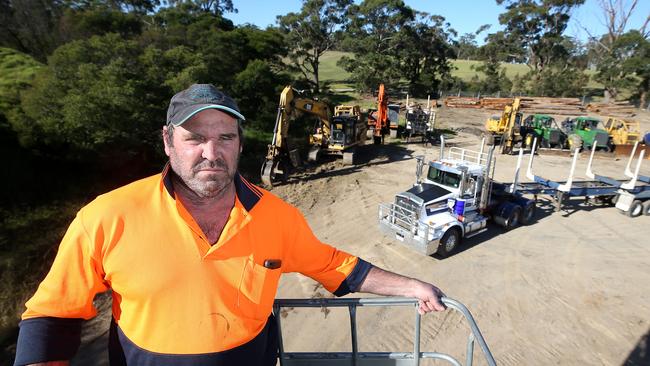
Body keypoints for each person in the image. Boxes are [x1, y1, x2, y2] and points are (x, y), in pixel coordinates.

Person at [14, 84, 446, 366]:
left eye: (224, 137)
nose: (210, 152)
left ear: (240, 143)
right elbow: (53, 315)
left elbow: (337, 266)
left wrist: (411, 286)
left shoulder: (277, 217)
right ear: (168, 141)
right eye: (194, 137)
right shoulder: (107, 217)